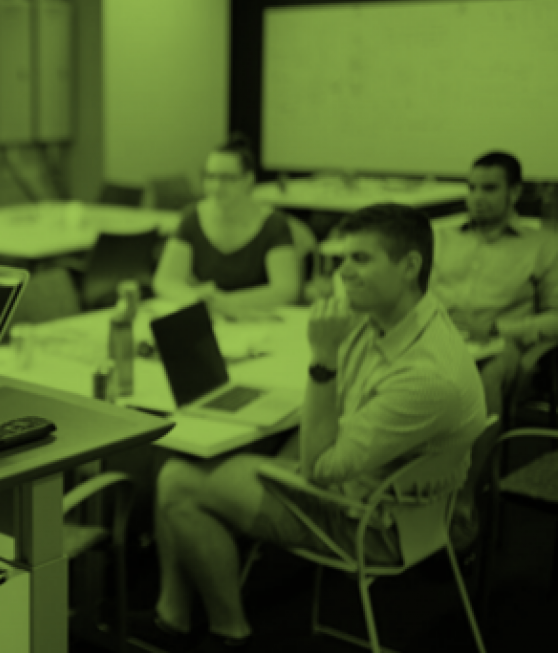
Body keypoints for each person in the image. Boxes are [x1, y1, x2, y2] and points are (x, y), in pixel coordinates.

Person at [129, 204, 487, 652]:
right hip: (394, 493)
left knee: (178, 481)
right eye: (342, 259)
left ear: (410, 266)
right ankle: (174, 616)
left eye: (361, 259)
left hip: (374, 525)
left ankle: (230, 634)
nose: (344, 273)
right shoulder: (400, 318)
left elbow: (319, 468)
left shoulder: (426, 376)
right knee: (197, 456)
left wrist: (322, 359)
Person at [430, 151, 558, 420]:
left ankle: (479, 461)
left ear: (514, 192)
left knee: (480, 377)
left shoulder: (543, 246)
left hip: (500, 344)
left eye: (489, 189)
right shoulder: (442, 238)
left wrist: (496, 328)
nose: (477, 197)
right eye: (472, 188)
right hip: (435, 334)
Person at [153, 134, 301, 318]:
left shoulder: (273, 224)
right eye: (210, 176)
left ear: (248, 179)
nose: (216, 186)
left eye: (227, 178)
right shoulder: (192, 218)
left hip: (259, 321)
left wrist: (224, 302)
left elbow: (286, 290)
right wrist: (196, 298)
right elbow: (165, 280)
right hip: (213, 321)